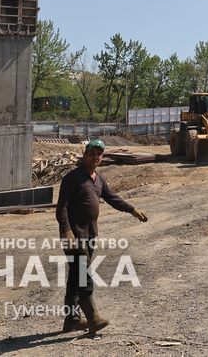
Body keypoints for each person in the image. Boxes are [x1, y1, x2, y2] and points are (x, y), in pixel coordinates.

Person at [56, 138, 148, 333]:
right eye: (92, 153)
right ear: (85, 155)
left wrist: (132, 210)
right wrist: (66, 231)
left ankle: (72, 320)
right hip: (74, 236)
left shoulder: (99, 179)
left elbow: (112, 198)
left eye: (99, 154)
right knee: (83, 275)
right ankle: (93, 318)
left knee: (75, 277)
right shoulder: (72, 178)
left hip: (89, 235)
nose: (96, 157)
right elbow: (61, 208)